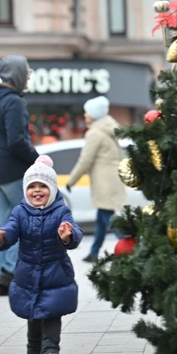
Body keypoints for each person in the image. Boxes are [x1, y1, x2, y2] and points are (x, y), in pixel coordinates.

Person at [0, 156, 83, 354]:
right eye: (32, 186)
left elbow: (73, 230)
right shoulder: (20, 212)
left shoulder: (61, 211)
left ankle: (50, 350)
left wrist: (67, 236)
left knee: (52, 311)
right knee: (32, 311)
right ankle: (33, 349)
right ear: (25, 190)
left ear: (52, 189)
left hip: (55, 270)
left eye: (43, 186)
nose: (37, 191)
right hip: (28, 271)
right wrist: (1, 237)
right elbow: (11, 230)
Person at [0, 56, 39, 296]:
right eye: (26, 73)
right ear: (16, 74)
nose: (28, 77)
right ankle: (9, 273)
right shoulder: (13, 102)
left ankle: (0, 278)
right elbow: (17, 142)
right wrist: (37, 160)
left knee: (2, 224)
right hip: (14, 171)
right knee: (25, 221)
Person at [66, 96, 127, 262]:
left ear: (94, 114)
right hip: (112, 179)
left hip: (103, 181)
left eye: (87, 112)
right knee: (102, 218)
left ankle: (128, 246)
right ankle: (94, 252)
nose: (85, 115)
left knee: (109, 218)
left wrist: (71, 180)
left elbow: (85, 160)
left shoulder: (95, 133)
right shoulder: (110, 128)